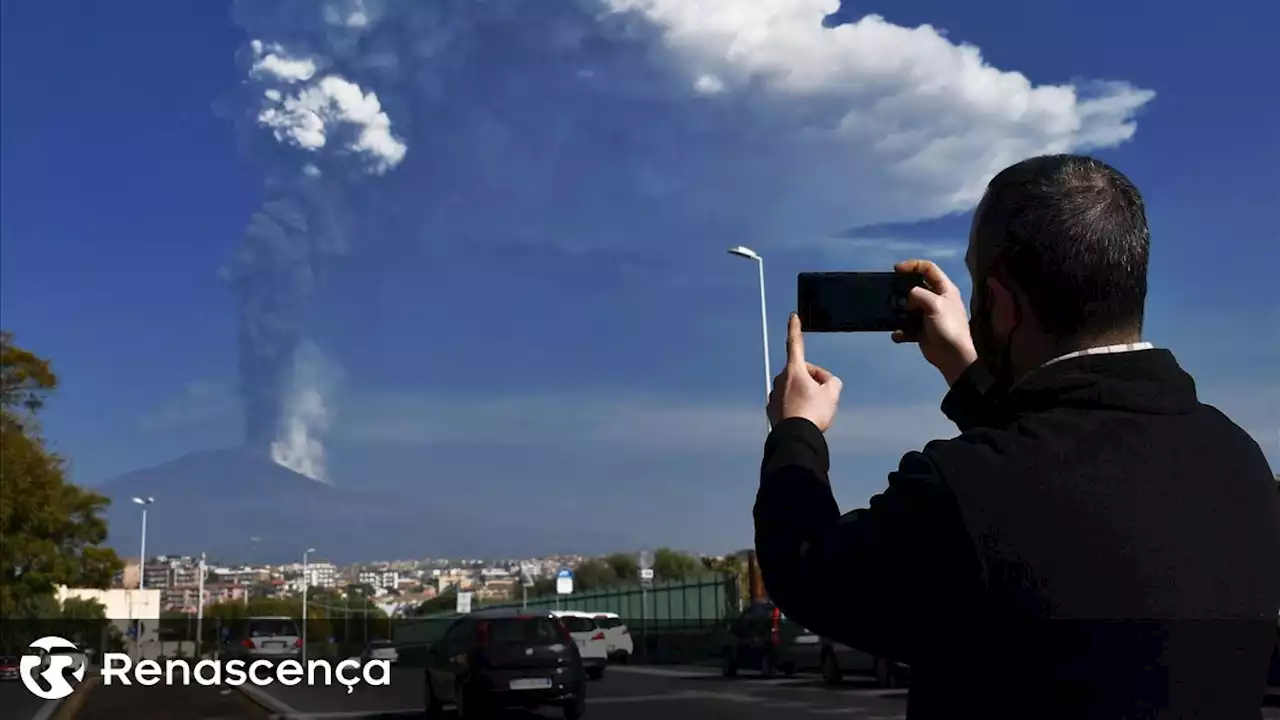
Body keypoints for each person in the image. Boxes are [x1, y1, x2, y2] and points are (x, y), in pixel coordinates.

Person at [755, 154, 1280, 719]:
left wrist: (797, 430)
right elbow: (1064, 470)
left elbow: (807, 566)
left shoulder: (957, 493)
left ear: (1002, 306)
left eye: (979, 285)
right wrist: (969, 373)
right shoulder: (1242, 466)